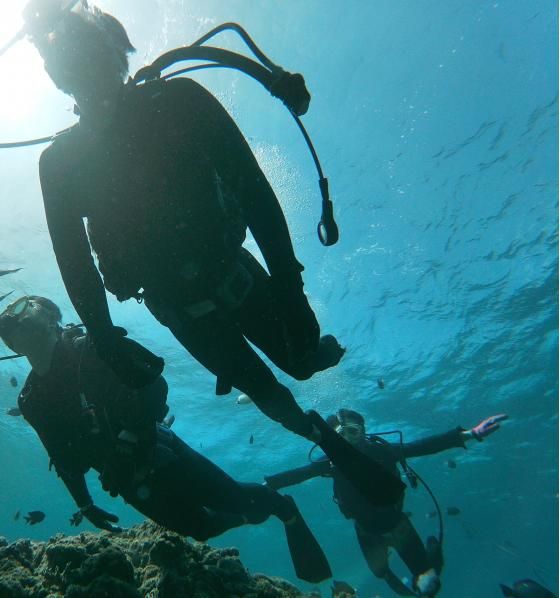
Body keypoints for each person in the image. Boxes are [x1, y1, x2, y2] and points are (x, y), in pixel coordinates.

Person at [22, 0, 404, 507]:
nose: (88, 74)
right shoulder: (60, 164)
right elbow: (74, 263)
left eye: (95, 56)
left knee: (302, 363)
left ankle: (311, 362)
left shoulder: (179, 101)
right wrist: (105, 340)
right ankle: (319, 436)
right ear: (57, 78)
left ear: (120, 55)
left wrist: (290, 286)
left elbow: (255, 192)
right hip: (178, 308)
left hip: (235, 275)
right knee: (265, 392)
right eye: (73, 64)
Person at [0, 294, 332, 583]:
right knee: (199, 528)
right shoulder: (31, 400)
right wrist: (84, 502)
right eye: (7, 315)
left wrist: (128, 443)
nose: (12, 316)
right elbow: (61, 457)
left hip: (159, 450)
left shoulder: (95, 349)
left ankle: (281, 507)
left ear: (52, 318)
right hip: (124, 480)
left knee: (235, 499)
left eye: (24, 306)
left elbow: (155, 384)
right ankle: (251, 513)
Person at [264, 408, 509, 596]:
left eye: (353, 431)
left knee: (429, 583)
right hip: (366, 530)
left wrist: (470, 434)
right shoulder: (331, 462)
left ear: (363, 431)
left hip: (396, 525)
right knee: (382, 575)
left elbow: (421, 446)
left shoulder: (381, 452)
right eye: (341, 435)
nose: (348, 440)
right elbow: (300, 473)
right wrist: (269, 486)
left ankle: (432, 555)